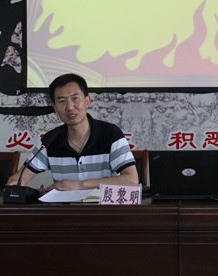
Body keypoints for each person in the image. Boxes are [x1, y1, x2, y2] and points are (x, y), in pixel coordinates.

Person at [7, 73, 138, 190]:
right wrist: (13, 184)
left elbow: (131, 180)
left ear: (87, 101)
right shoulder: (50, 140)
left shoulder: (111, 134)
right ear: (55, 108)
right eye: (62, 101)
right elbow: (20, 178)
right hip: (65, 208)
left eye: (75, 98)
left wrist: (80, 185)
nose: (69, 107)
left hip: (102, 207)